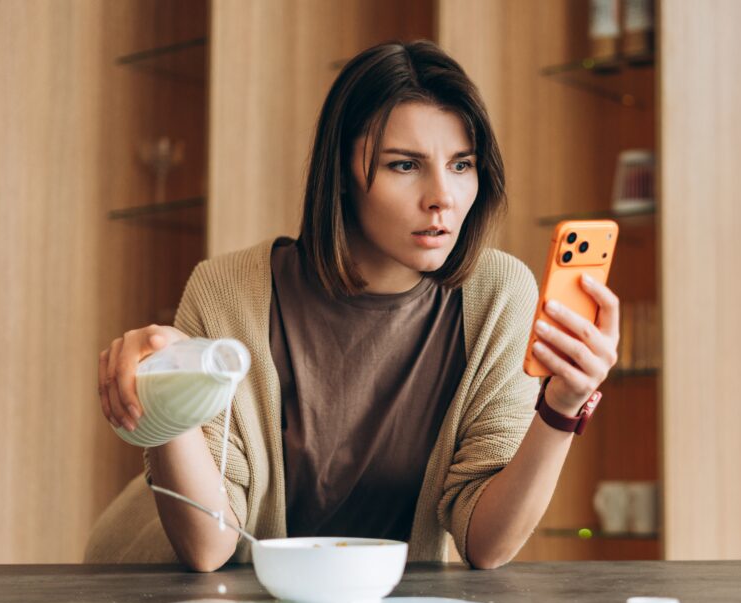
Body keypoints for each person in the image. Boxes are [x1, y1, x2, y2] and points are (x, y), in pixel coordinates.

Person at [88, 40, 619, 571]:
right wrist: (168, 387)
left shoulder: (500, 295)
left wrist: (562, 407)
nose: (443, 197)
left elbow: (487, 545)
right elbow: (209, 548)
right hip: (190, 598)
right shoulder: (227, 290)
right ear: (341, 174)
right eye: (405, 165)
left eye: (462, 165)